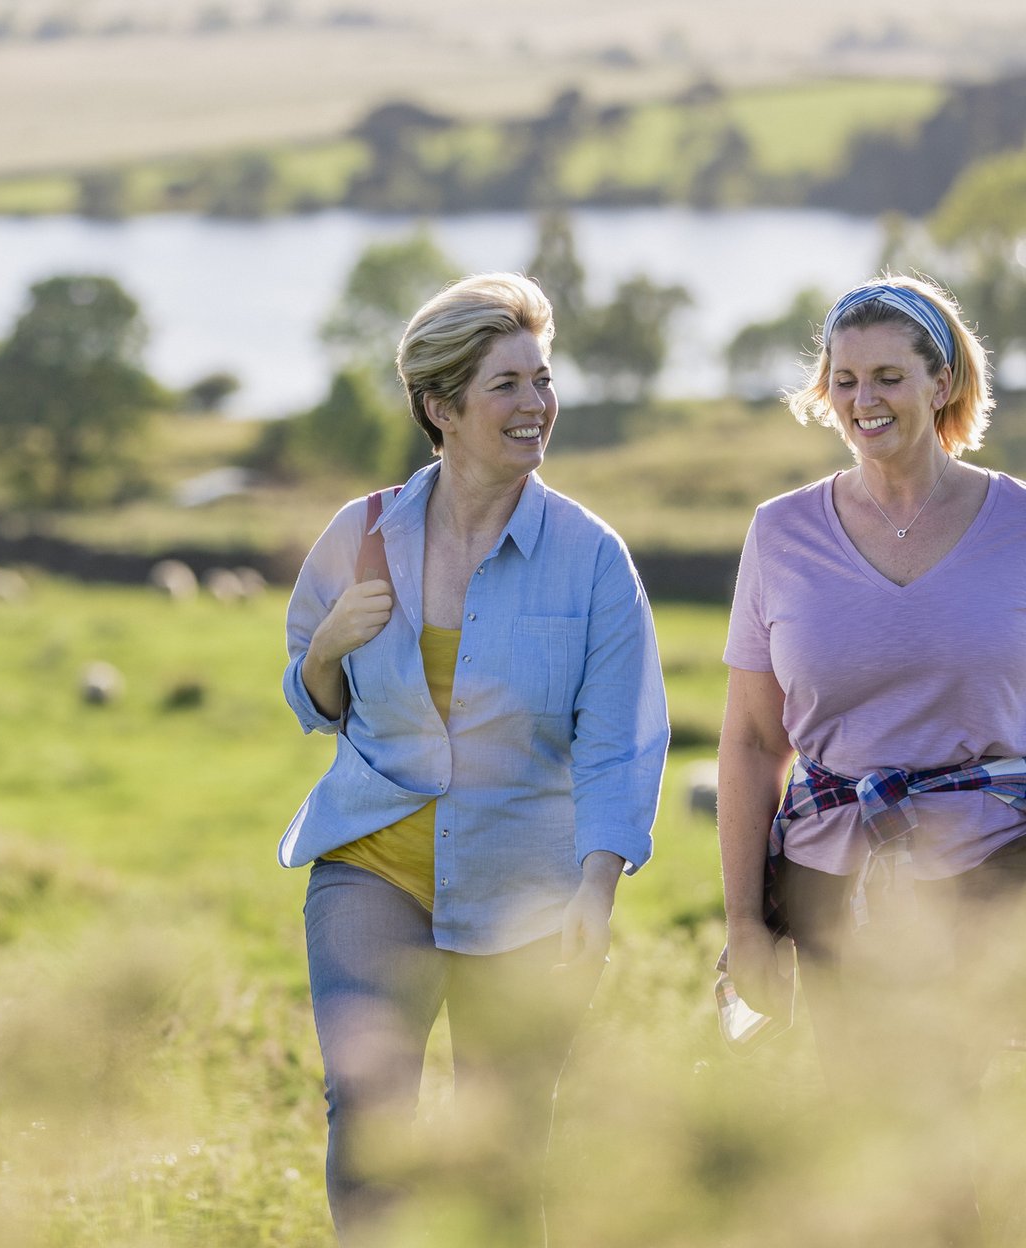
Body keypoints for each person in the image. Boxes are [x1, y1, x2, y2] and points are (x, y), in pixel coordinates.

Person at [280, 272, 668, 1246]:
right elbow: (313, 702)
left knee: (505, 1148)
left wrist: (596, 888)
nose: (536, 404)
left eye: (542, 379)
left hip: (527, 888)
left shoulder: (591, 559)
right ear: (441, 407)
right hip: (374, 867)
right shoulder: (360, 534)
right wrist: (327, 647)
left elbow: (621, 742)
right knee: (368, 1114)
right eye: (507, 385)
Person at [717, 273, 1026, 1246]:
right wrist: (745, 922)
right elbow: (754, 740)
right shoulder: (781, 533)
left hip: (989, 870)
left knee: (942, 1124)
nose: (863, 402)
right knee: (866, 1137)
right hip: (829, 878)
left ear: (941, 383)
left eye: (888, 376)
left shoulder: (1020, 524)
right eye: (844, 379)